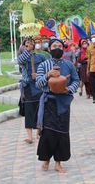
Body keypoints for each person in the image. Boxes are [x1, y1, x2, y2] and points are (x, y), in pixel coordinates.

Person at [36, 38, 79, 173]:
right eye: (54, 46)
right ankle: (46, 160)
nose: (57, 48)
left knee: (62, 132)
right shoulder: (44, 65)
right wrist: (48, 75)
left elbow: (76, 80)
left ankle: (58, 163)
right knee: (48, 132)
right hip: (49, 102)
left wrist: (69, 89)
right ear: (49, 49)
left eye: (60, 46)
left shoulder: (69, 65)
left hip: (64, 102)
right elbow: (38, 83)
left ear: (64, 49)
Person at [17, 37, 46, 144]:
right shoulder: (23, 57)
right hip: (28, 87)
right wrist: (27, 51)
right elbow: (20, 61)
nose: (28, 45)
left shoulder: (41, 57)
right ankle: (29, 137)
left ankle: (39, 132)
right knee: (29, 111)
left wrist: (38, 75)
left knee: (40, 109)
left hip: (39, 87)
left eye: (30, 43)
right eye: (26, 44)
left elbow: (46, 70)